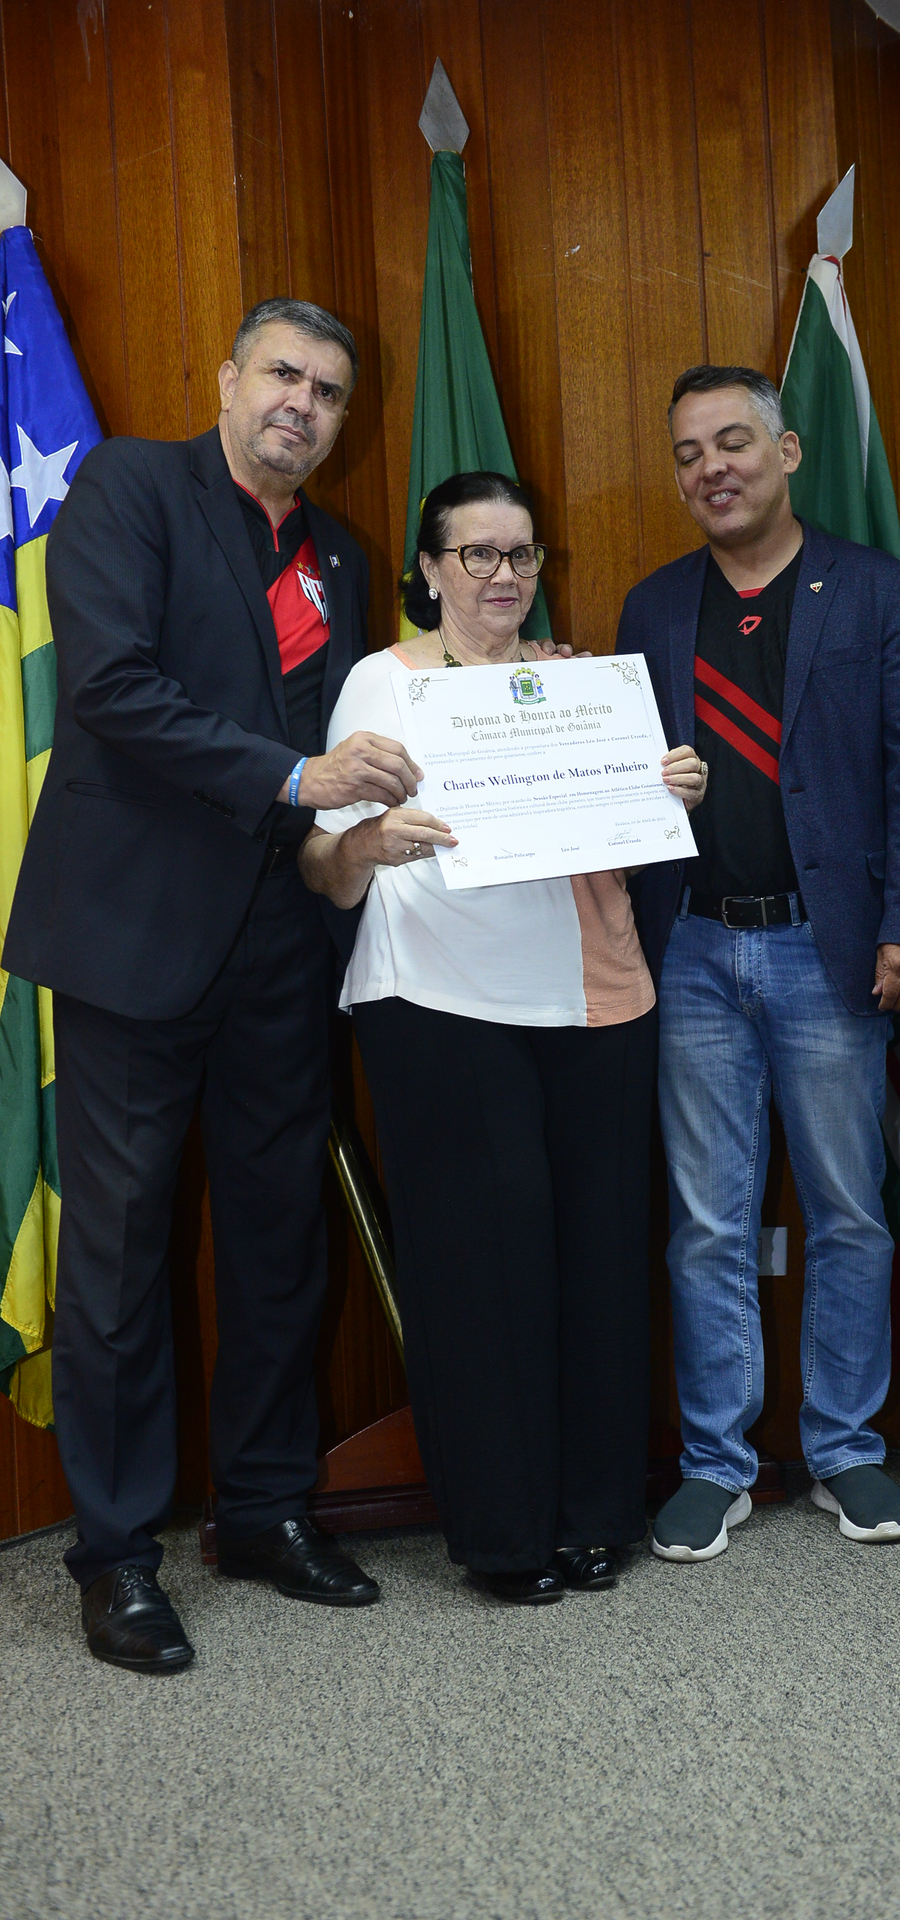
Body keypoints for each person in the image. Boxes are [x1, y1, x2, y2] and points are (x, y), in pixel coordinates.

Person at [2, 298, 416, 1673]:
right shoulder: (130, 487)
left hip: (284, 945)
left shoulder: (340, 555)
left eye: (330, 391)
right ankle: (116, 1555)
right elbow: (113, 688)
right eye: (283, 374)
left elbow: (346, 729)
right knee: (120, 1261)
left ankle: (264, 1510)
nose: (303, 402)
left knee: (278, 1242)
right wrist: (298, 778)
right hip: (134, 940)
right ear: (230, 377)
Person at [299, 470, 707, 1605]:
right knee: (483, 1273)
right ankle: (504, 1533)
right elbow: (323, 868)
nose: (502, 575)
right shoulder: (381, 684)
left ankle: (594, 1516)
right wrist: (369, 842)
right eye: (475, 553)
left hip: (594, 1000)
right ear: (429, 571)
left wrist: (665, 792)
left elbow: (624, 841)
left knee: (599, 1262)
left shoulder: (581, 683)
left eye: (520, 553)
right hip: (441, 1002)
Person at [621, 365, 900, 1563]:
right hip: (692, 951)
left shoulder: (870, 588)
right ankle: (715, 1462)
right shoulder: (653, 607)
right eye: (688, 453)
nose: (711, 468)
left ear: (788, 451)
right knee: (706, 1224)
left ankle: (844, 1447)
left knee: (848, 1213)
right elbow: (624, 782)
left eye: (732, 442)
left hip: (832, 950)